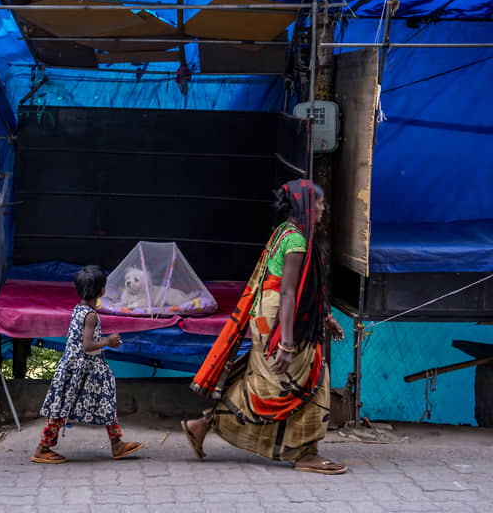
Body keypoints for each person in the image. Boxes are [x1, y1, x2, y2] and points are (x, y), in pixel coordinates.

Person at [182, 179, 347, 474]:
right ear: (305, 206)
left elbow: (303, 290)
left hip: (268, 317)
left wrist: (325, 318)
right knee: (308, 384)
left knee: (262, 386)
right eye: (319, 202)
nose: (323, 208)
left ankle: (204, 423)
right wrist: (285, 343)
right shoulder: (297, 241)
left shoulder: (283, 233)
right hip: (281, 322)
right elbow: (289, 292)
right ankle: (307, 455)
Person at [31, 265, 144, 464]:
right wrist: (108, 341)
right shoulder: (90, 315)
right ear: (102, 290)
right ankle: (42, 448)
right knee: (62, 409)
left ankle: (117, 443)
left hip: (85, 369)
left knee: (105, 401)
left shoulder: (80, 309)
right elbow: (87, 345)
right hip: (80, 370)